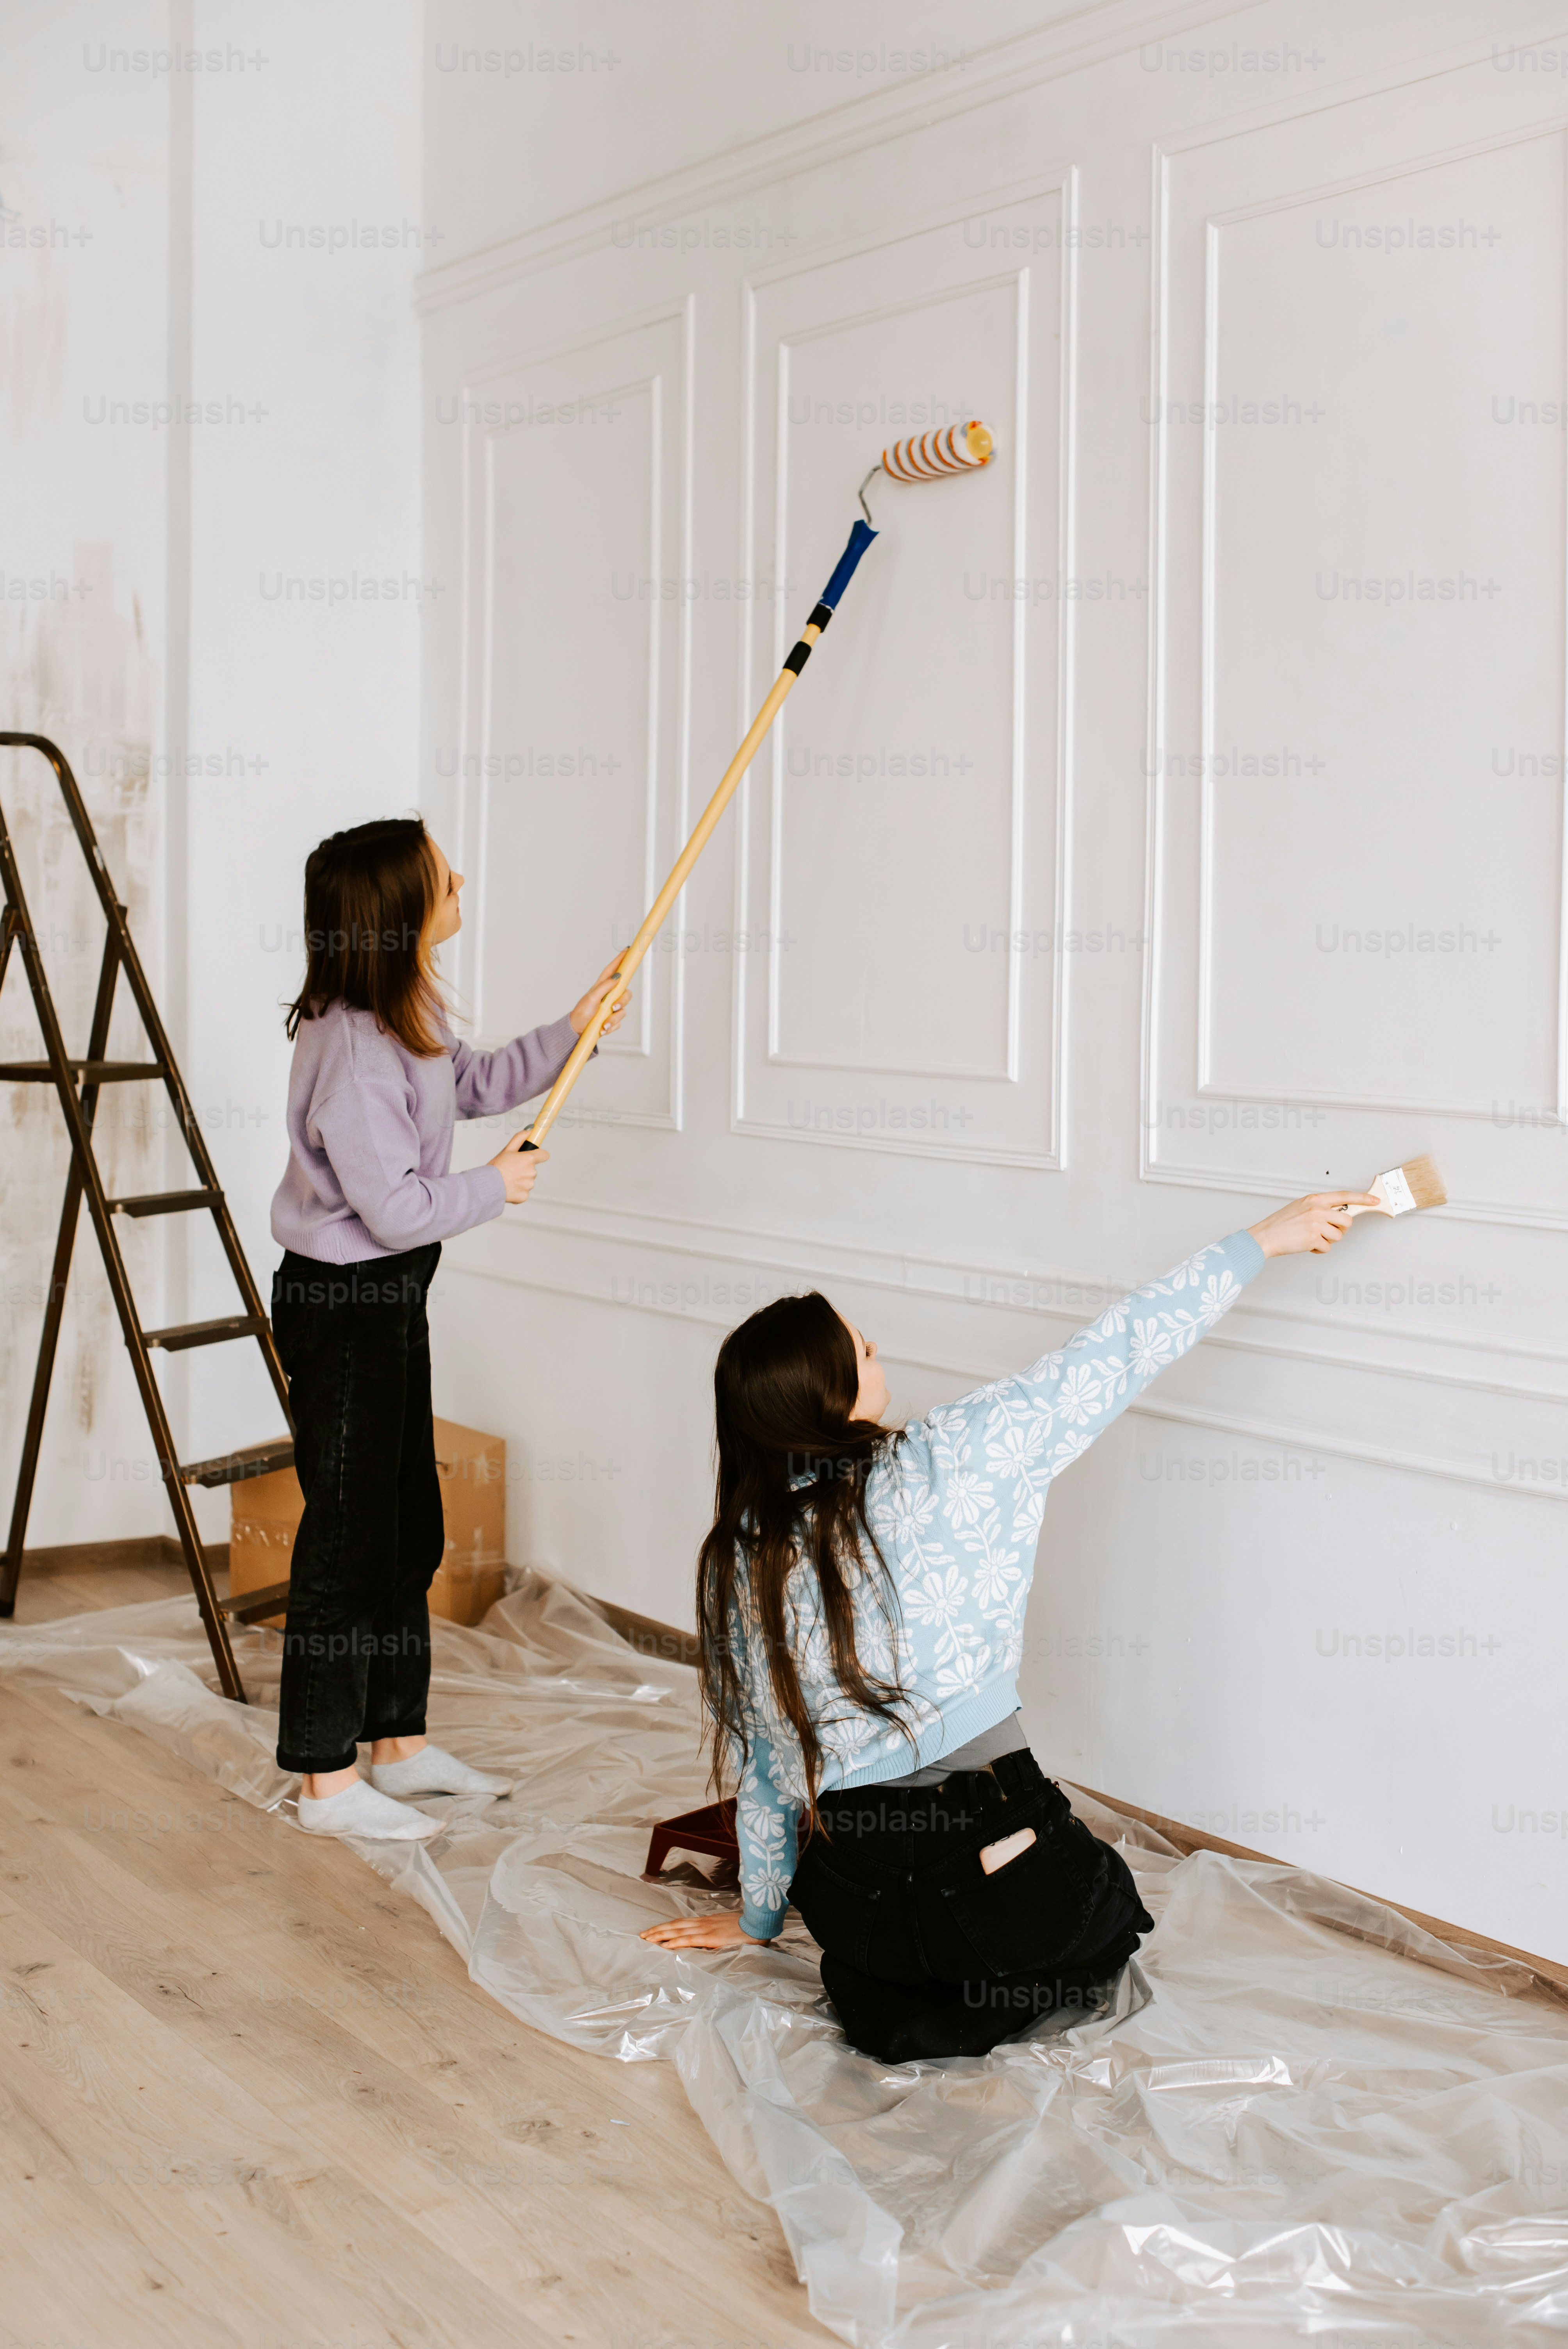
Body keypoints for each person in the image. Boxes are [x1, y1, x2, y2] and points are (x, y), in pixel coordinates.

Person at [641, 1192, 1377, 2060]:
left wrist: (762, 1918)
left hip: (858, 1902)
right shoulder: (956, 1453)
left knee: (895, 1983)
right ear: (833, 1394)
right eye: (866, 1350)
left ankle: (913, 1994)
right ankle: (970, 1977)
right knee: (1105, 1909)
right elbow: (1116, 1348)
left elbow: (768, 1770)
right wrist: (1263, 1240)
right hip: (992, 1859)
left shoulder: (740, 1555)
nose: (882, 1357)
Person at [268, 815, 629, 1842]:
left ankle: (396, 1742)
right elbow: (395, 1211)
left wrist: (573, 1029)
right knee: (345, 1542)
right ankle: (326, 1785)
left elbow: (470, 1085)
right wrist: (496, 1184)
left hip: (389, 1300)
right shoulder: (348, 1049)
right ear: (396, 911)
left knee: (407, 1527)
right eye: (441, 872)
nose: (460, 876)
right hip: (343, 1309)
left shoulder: (400, 1014)